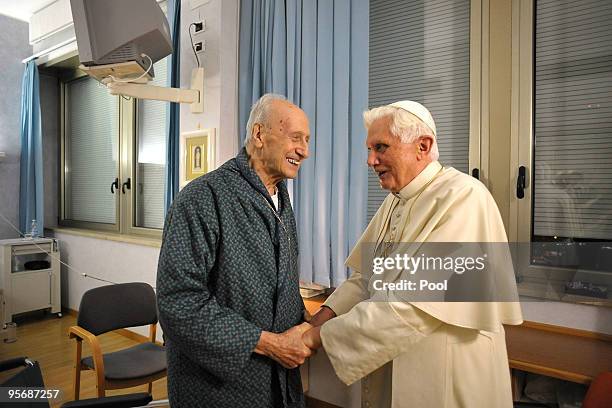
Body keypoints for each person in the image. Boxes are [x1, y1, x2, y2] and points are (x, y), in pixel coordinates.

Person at [303, 101, 523, 408]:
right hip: (396, 361)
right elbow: (366, 277)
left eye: (380, 147)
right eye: (369, 149)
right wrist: (321, 319)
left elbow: (412, 305)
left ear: (423, 145)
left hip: (448, 372)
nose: (370, 160)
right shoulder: (396, 200)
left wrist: (315, 338)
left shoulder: (463, 197)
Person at [157, 94, 313, 407]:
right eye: (296, 138)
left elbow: (281, 283)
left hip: (277, 381)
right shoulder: (202, 199)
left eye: (307, 141)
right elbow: (178, 302)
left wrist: (309, 323)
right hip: (217, 389)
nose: (304, 151)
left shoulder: (281, 202)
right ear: (259, 135)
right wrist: (268, 344)